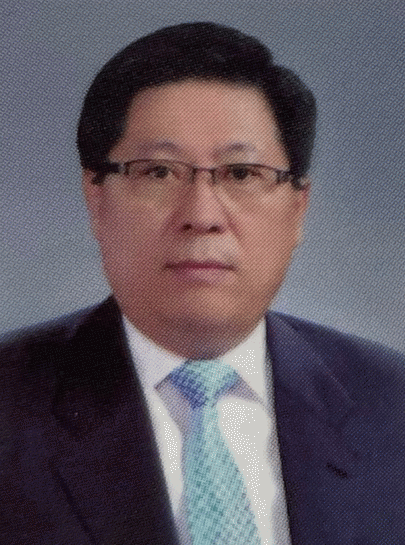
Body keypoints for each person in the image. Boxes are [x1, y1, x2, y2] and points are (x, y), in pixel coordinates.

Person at [1, 21, 405, 545]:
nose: (202, 215)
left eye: (241, 174)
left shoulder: (391, 404)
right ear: (95, 198)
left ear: (298, 208)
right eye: (158, 172)